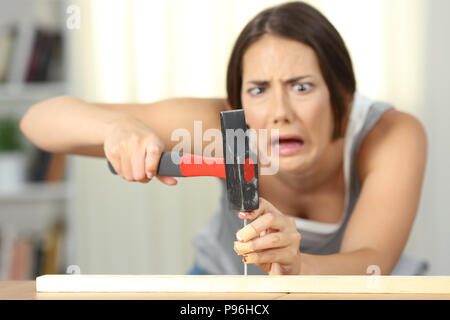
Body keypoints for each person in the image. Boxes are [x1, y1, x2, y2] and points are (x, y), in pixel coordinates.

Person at [20, 1, 427, 275]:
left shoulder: (390, 135)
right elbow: (39, 121)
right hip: (226, 284)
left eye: (301, 87)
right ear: (237, 98)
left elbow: (372, 262)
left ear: (342, 94)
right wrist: (114, 128)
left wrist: (297, 265)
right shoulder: (222, 125)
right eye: (258, 89)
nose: (280, 111)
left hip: (351, 288)